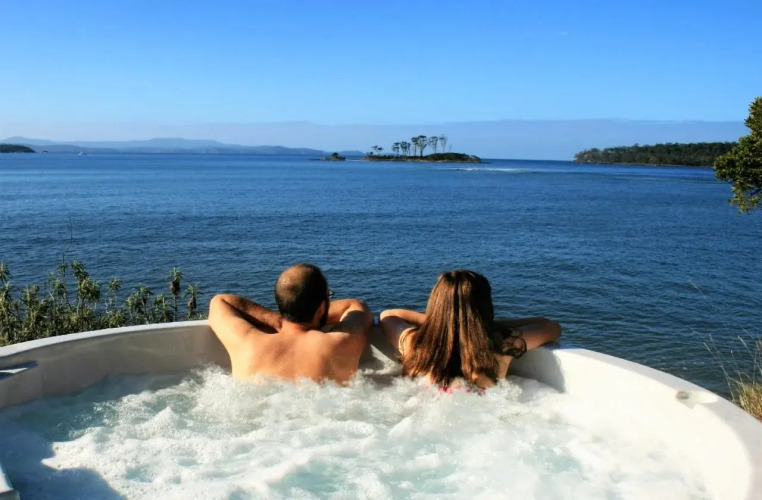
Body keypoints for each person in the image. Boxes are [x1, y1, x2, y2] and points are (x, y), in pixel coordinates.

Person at [379, 270, 561, 391]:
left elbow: (388, 315)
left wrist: (440, 323)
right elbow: (550, 326)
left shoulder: (414, 344)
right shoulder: (501, 347)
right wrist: (488, 326)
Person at [208, 263, 373, 384]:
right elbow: (356, 306)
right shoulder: (342, 343)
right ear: (322, 308)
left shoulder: (248, 343)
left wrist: (279, 321)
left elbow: (219, 301)